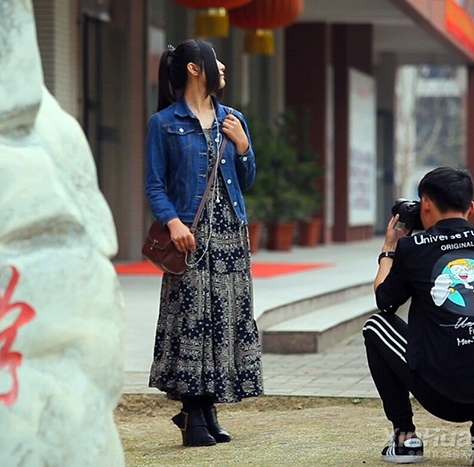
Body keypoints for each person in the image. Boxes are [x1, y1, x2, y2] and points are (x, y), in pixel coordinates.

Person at [364, 167, 474, 466]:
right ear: (471, 207)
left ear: (425, 203)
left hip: (445, 397)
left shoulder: (412, 248)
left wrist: (389, 249)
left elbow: (384, 301)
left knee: (375, 325)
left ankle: (405, 438)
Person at [143, 39, 263, 447]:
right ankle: (193, 412)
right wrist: (173, 222)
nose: (223, 67)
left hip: (230, 234)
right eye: (215, 61)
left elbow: (246, 180)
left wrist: (243, 147)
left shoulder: (233, 119)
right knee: (191, 321)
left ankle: (206, 409)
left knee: (223, 319)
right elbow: (155, 185)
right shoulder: (164, 123)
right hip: (190, 237)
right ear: (195, 69)